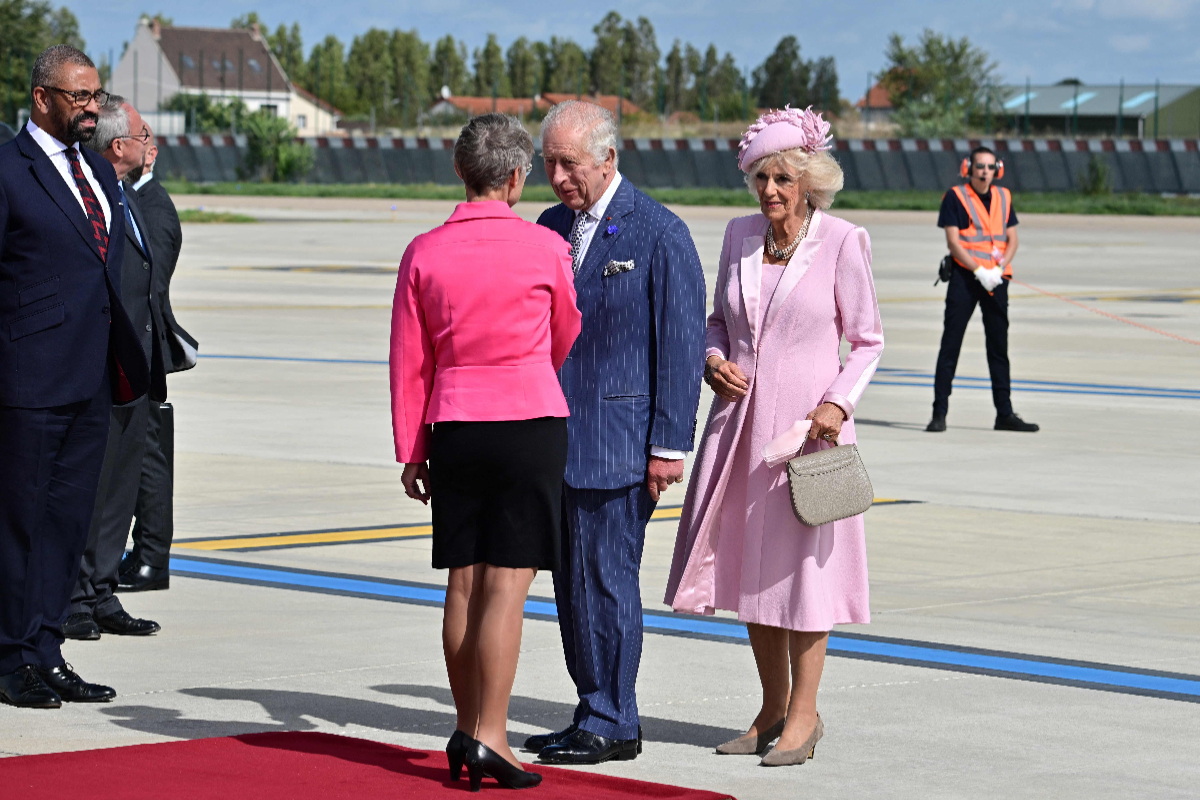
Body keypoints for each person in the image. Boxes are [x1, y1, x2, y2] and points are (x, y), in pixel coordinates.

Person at [664, 107, 884, 767]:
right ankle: (770, 708)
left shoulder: (844, 241)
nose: (771, 193)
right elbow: (717, 322)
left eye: (783, 179)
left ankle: (805, 715)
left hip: (808, 439)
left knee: (805, 583)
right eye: (761, 179)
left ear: (810, 179)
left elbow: (868, 341)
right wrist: (712, 358)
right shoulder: (737, 237)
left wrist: (836, 404)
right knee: (753, 575)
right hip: (739, 435)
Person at [391, 113, 581, 791]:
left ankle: (466, 727)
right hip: (528, 420)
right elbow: (565, 333)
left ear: (459, 171)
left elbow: (409, 361)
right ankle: (490, 736)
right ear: (513, 176)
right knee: (508, 585)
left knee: (464, 582)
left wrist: (412, 449)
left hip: (457, 426)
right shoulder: (544, 249)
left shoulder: (424, 251)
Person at [524, 101, 707, 766]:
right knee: (569, 587)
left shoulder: (659, 233)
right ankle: (590, 708)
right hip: (554, 442)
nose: (558, 176)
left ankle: (615, 718)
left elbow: (683, 348)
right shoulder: (549, 228)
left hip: (621, 443)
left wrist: (667, 446)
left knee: (607, 580)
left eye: (569, 163)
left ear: (608, 158)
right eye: (549, 163)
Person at [0, 45, 149, 708]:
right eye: (79, 96)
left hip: (92, 374)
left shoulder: (95, 167)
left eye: (95, 95)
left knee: (67, 523)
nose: (93, 107)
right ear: (42, 98)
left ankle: (46, 648)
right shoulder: (9, 169)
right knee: (17, 525)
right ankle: (8, 657)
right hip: (26, 381)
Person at [65, 97, 168, 640]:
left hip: (134, 365)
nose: (152, 143)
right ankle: (77, 598)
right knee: (93, 485)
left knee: (121, 487)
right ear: (118, 146)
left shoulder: (126, 197)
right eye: (143, 133)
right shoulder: (88, 197)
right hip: (98, 364)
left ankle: (102, 592)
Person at [120, 133, 199, 593]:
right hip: (134, 355)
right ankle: (141, 555)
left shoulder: (154, 206)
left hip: (144, 355)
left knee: (150, 461)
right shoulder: (133, 198)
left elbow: (151, 287)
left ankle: (151, 558)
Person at [927, 145, 1038, 433]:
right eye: (980, 166)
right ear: (969, 168)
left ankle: (1005, 413)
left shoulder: (1004, 196)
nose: (985, 172)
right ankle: (939, 413)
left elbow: (1012, 239)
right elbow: (954, 242)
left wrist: (998, 270)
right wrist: (978, 270)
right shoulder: (955, 196)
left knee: (998, 347)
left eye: (990, 167)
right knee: (951, 344)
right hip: (966, 278)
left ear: (997, 170)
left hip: (996, 281)